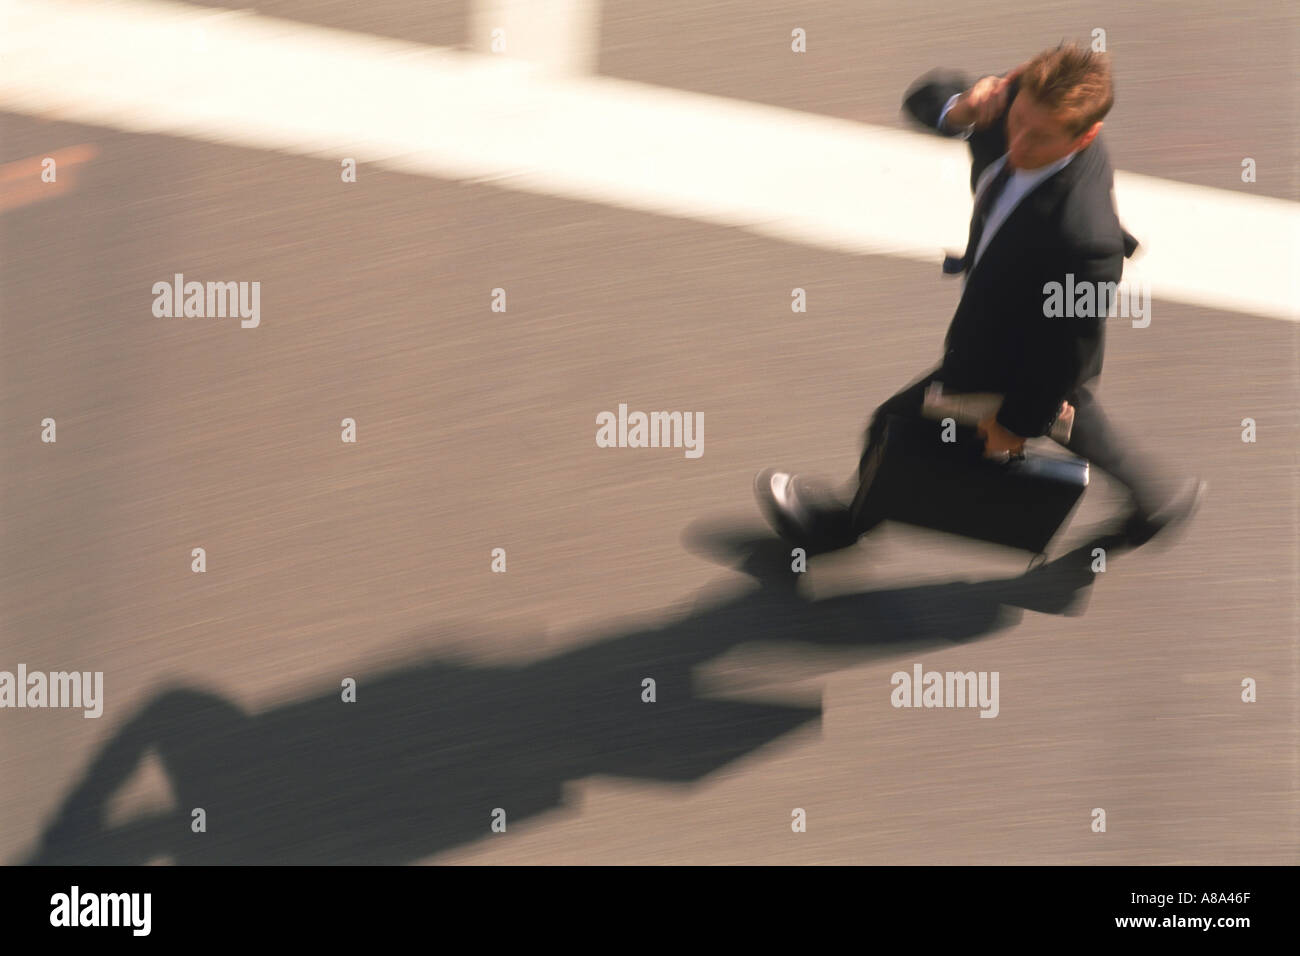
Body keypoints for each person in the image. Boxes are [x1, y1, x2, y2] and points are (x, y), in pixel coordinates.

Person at [756, 44, 1205, 553]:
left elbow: (1067, 350)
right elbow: (924, 99)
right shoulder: (1019, 104)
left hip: (1005, 356)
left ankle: (840, 527)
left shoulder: (1087, 243)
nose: (1017, 143)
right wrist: (962, 106)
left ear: (1086, 135)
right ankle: (1156, 499)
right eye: (1016, 121)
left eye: (1039, 138)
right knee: (1068, 410)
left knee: (897, 425)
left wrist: (1012, 425)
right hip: (1029, 321)